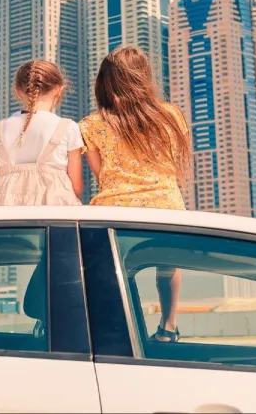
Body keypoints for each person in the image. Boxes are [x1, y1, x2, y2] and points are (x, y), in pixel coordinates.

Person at [79, 47, 191, 342]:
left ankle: (123, 334)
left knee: (120, 274)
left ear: (105, 81)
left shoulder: (91, 124)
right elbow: (172, 162)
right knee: (167, 266)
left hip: (114, 212)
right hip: (165, 207)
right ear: (144, 76)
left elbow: (101, 176)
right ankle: (168, 327)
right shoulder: (171, 116)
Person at [0, 60, 85, 206]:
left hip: (7, 210)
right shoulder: (68, 127)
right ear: (59, 90)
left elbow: (1, 175)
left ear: (17, 91)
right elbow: (76, 186)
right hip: (54, 208)